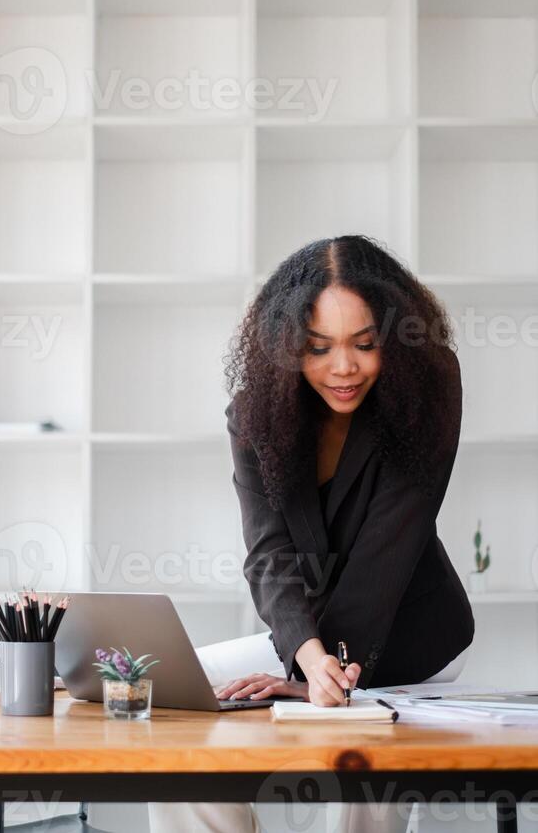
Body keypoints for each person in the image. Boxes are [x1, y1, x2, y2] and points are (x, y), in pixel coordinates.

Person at [148, 234, 475, 833]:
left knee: (365, 780)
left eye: (366, 344)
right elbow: (268, 553)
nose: (343, 368)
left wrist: (311, 679)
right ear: (284, 348)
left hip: (414, 636)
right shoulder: (256, 413)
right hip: (315, 637)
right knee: (177, 707)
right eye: (318, 348)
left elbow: (388, 550)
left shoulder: (430, 388)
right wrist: (305, 656)